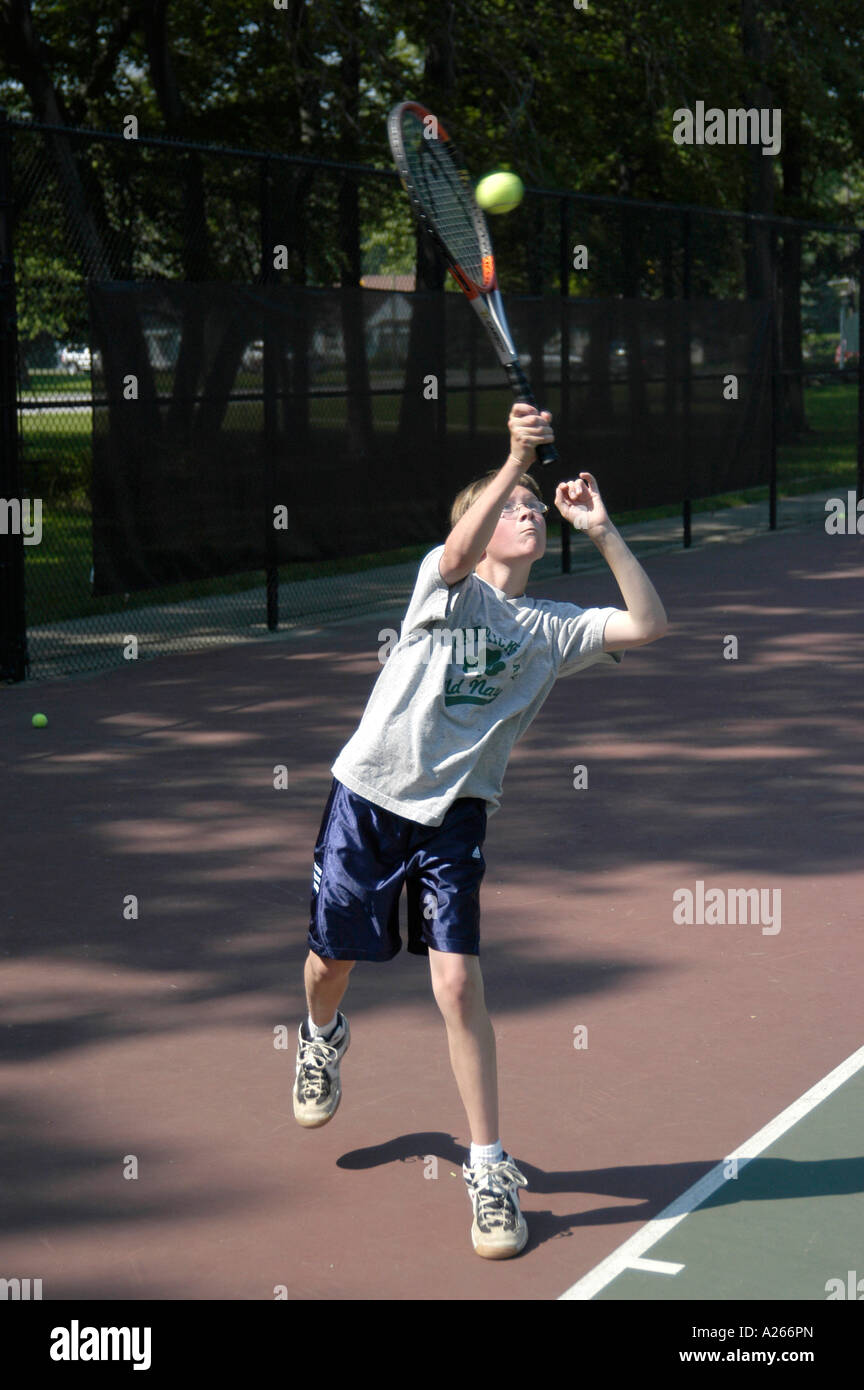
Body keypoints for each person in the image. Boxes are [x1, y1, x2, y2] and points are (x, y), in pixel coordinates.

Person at [293, 402, 668, 1259]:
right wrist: (510, 460)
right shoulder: (444, 582)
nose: (528, 510)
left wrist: (604, 530)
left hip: (454, 822)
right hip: (369, 799)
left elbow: (648, 625)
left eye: (535, 506)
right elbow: (460, 547)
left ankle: (487, 1169)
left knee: (458, 987)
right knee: (330, 963)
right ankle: (322, 1039)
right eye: (512, 507)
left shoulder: (550, 633)